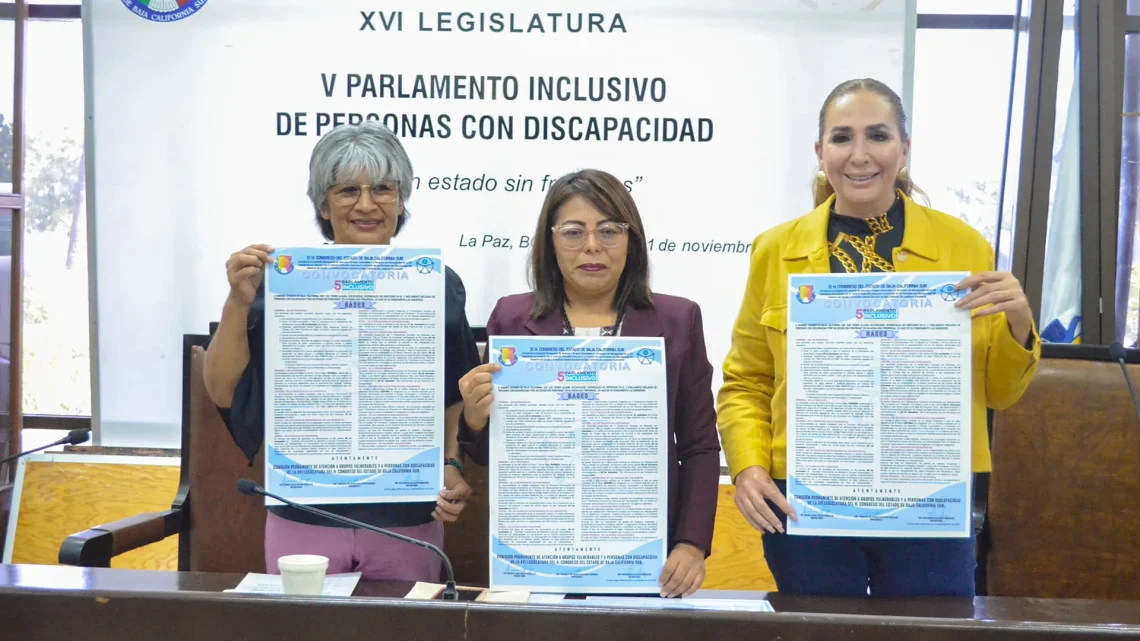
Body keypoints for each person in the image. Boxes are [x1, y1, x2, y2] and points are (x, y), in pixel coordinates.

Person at [716, 78, 1041, 597]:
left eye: (879, 136)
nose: (860, 155)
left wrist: (1020, 324)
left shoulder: (963, 245)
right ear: (820, 152)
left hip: (927, 505)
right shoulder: (774, 250)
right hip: (808, 506)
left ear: (905, 149)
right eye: (842, 138)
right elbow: (746, 382)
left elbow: (999, 393)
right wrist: (748, 467)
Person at [203, 120, 482, 582]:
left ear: (402, 200)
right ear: (323, 205)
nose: (367, 204)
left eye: (384, 189)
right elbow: (223, 389)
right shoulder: (278, 283)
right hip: (304, 512)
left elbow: (453, 394)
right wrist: (237, 300)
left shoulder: (437, 283)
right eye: (348, 189)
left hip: (407, 514)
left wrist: (450, 463)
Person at [455, 169, 721, 598]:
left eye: (610, 230)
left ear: (631, 240)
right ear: (550, 242)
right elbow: (493, 456)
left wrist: (690, 544)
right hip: (535, 549)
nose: (592, 246)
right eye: (574, 232)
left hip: (639, 557)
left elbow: (699, 445)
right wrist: (473, 417)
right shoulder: (511, 318)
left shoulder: (678, 320)